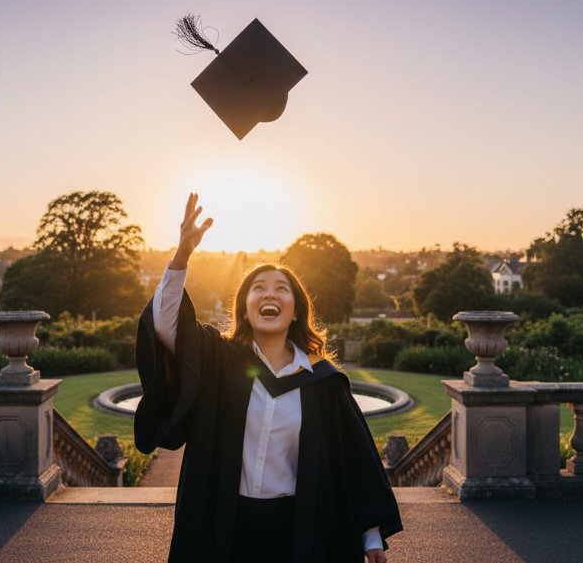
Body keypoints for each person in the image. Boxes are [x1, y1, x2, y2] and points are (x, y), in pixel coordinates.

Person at [135, 193, 402, 563]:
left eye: (280, 289)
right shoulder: (220, 362)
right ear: (245, 309)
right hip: (225, 524)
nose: (269, 294)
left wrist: (371, 537)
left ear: (294, 311)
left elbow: (352, 460)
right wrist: (182, 256)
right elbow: (165, 326)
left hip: (299, 530)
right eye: (258, 288)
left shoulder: (322, 383)